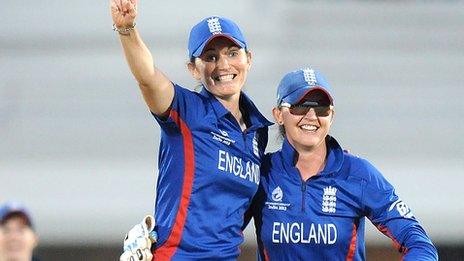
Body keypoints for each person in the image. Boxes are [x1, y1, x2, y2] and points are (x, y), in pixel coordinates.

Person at [110, 0, 272, 260]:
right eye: (210, 57)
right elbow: (148, 79)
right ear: (193, 69)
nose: (223, 65)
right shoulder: (187, 110)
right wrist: (127, 29)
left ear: (248, 59)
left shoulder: (257, 132)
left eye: (232, 53)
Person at [249, 68, 438, 260]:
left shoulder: (359, 174)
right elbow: (220, 233)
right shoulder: (261, 173)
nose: (312, 116)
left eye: (322, 109)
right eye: (300, 106)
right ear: (278, 114)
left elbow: (419, 244)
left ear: (332, 117)